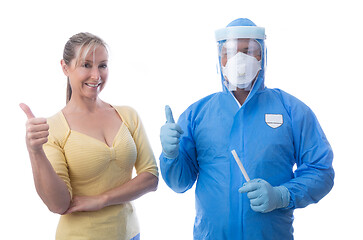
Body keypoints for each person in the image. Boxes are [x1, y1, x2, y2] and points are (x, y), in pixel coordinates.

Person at [159, 18, 334, 239]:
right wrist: (170, 155)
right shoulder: (197, 114)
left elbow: (321, 171)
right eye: (230, 52)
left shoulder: (291, 110)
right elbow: (179, 183)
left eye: (249, 50)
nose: (239, 59)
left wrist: (282, 195)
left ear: (263, 57)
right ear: (219, 59)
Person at [20, 32, 158, 240]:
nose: (96, 75)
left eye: (102, 65)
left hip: (130, 233)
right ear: (65, 67)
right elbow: (58, 204)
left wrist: (102, 199)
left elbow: (150, 177)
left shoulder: (127, 115)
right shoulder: (54, 128)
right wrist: (35, 151)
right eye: (86, 65)